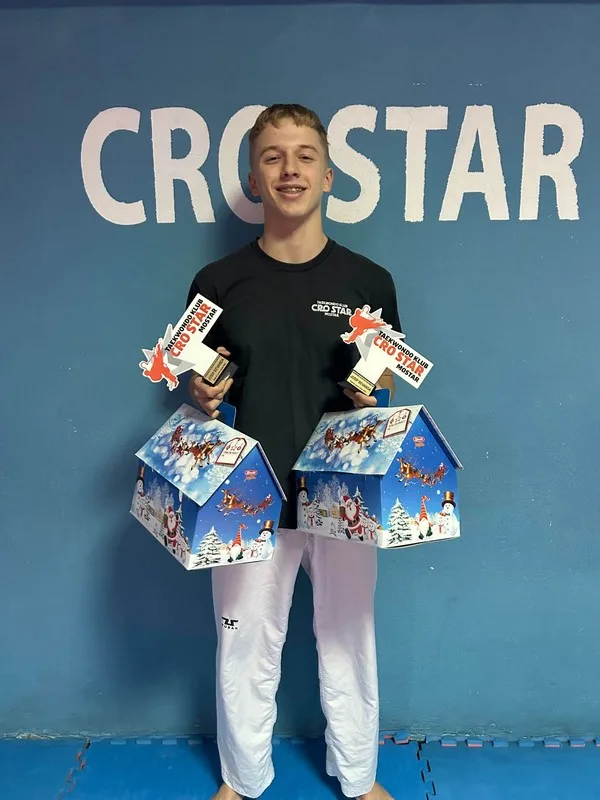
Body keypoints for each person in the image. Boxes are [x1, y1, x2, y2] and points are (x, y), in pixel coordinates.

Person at [187, 104, 402, 800]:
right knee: (243, 641)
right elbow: (201, 379)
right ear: (254, 179)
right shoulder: (218, 283)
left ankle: (359, 777)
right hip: (248, 492)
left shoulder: (368, 282)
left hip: (345, 490)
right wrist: (203, 393)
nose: (290, 169)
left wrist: (374, 392)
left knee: (349, 638)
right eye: (273, 156)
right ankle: (241, 780)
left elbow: (385, 379)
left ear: (329, 175)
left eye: (305, 155)